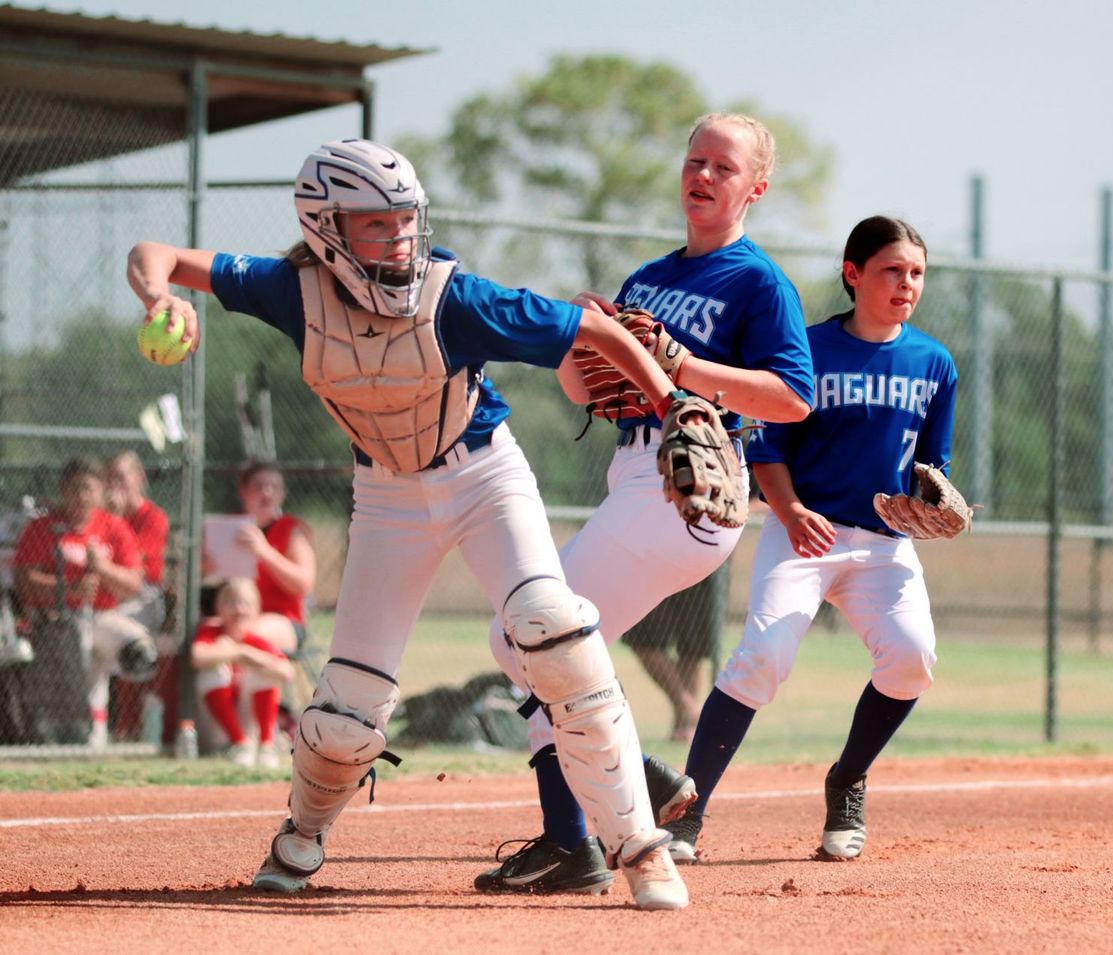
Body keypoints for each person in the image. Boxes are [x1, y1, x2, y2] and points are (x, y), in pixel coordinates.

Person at [126, 138, 693, 909]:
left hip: (483, 474)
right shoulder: (291, 290)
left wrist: (673, 404)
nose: (398, 237)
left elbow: (596, 334)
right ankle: (298, 839)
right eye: (375, 223)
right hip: (386, 496)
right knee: (346, 705)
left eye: (405, 219)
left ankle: (639, 846)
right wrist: (159, 297)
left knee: (553, 630)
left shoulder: (454, 297)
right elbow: (154, 251)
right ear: (325, 228)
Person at [477, 113, 814, 895]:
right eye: (694, 159)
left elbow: (794, 397)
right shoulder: (649, 278)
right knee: (530, 647)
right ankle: (596, 822)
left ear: (755, 188)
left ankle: (600, 818)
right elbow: (589, 392)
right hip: (631, 475)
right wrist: (581, 336)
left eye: (724, 167)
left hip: (689, 482)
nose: (703, 174)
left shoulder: (757, 281)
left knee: (526, 635)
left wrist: (682, 363)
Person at [665, 215, 957, 864]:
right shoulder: (812, 349)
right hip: (803, 531)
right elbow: (767, 444)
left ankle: (848, 776)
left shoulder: (934, 362)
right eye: (891, 270)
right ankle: (688, 812)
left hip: (883, 544)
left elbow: (932, 466)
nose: (907, 283)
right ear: (853, 274)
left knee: (912, 658)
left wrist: (931, 501)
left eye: (916, 273)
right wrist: (791, 510)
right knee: (760, 658)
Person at [11, 456, 153, 748]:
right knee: (82, 646)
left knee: (140, 651)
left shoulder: (113, 527)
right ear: (63, 490)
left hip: (103, 616)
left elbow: (134, 584)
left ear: (101, 492)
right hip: (56, 620)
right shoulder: (44, 527)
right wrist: (69, 589)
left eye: (89, 489)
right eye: (74, 488)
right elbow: (23, 579)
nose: (82, 496)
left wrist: (102, 569)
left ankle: (94, 734)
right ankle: (90, 737)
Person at [105, 450, 175, 745]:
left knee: (122, 633)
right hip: (108, 596)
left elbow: (136, 563)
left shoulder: (152, 516)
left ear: (139, 478)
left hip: (145, 597)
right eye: (110, 478)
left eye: (122, 477)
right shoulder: (102, 516)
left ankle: (127, 727)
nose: (115, 485)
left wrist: (115, 518)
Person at [192, 577, 294, 769]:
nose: (239, 610)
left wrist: (251, 657)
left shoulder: (255, 640)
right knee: (211, 672)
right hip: (217, 733)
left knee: (265, 672)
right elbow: (197, 657)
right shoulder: (211, 632)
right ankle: (238, 743)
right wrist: (239, 653)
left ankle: (266, 746)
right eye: (232, 603)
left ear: (257, 611)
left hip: (251, 731)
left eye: (246, 604)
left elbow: (287, 672)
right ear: (219, 608)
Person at [622, 563, 730, 743]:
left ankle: (686, 724)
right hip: (651, 557)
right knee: (641, 639)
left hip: (704, 551)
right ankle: (689, 708)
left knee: (693, 644)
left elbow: (693, 648)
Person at [229, 461, 315, 655]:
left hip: (282, 619)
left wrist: (264, 552)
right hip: (233, 614)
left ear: (283, 494)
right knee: (204, 635)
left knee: (245, 634)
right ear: (243, 491)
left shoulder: (292, 530)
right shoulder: (230, 527)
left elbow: (304, 584)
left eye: (274, 487)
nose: (266, 492)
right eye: (258, 486)